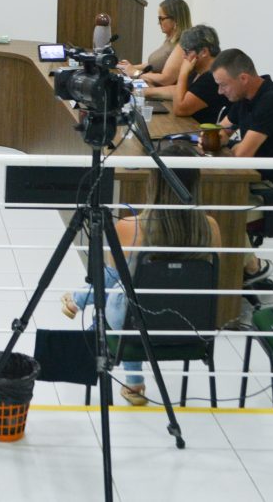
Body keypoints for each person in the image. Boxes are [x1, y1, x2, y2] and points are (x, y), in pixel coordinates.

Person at [61, 140, 221, 405]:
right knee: (128, 294)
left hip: (137, 325)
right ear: (196, 182)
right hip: (190, 324)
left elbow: (113, 278)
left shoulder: (130, 226)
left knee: (118, 290)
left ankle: (79, 303)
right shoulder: (210, 228)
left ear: (153, 181)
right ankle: (132, 384)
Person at [211, 48, 273, 283]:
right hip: (252, 182)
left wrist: (226, 145)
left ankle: (253, 268)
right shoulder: (244, 98)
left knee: (216, 212)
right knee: (206, 200)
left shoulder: (272, 100)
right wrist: (216, 139)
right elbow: (221, 132)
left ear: (243, 78)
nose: (220, 92)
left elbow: (242, 154)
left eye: (223, 85)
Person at [144, 25, 229, 123]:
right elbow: (180, 91)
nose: (184, 56)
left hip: (200, 130)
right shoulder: (199, 70)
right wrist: (147, 92)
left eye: (187, 52)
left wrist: (183, 73)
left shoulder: (212, 77)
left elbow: (180, 109)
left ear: (204, 52)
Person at [118, 0, 192, 87]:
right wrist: (128, 67)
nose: (159, 23)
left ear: (175, 19)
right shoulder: (170, 40)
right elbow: (155, 64)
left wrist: (135, 72)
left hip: (158, 93)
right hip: (150, 87)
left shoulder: (182, 45)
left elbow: (166, 79)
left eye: (161, 18)